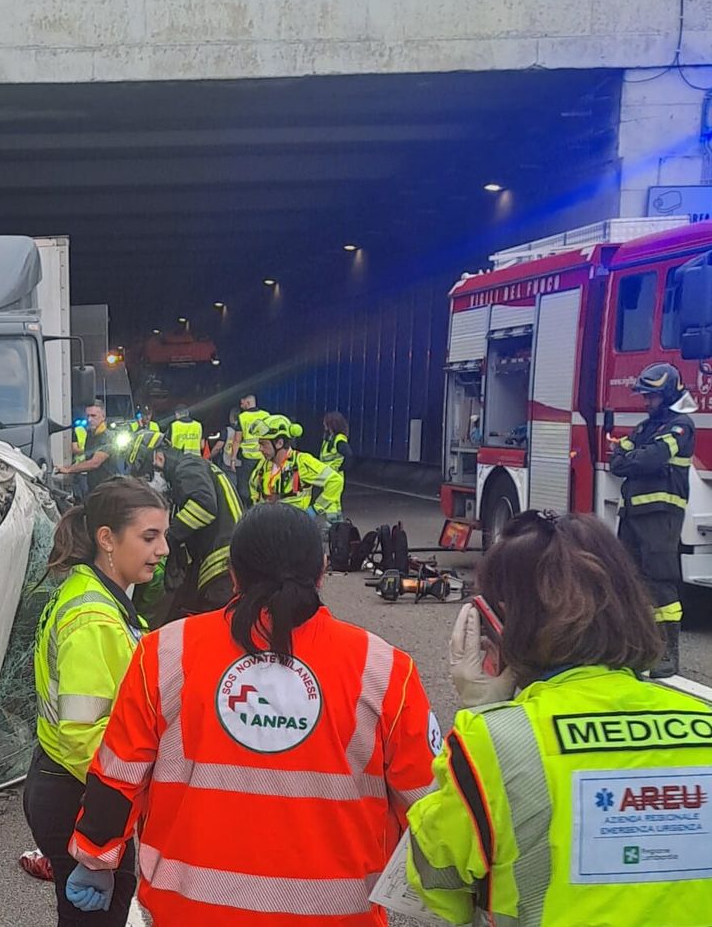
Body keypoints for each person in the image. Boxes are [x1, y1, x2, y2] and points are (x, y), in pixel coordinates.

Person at [65, 503, 439, 925]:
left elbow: (118, 775)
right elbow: (431, 806)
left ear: (234, 575)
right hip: (337, 914)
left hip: (190, 911)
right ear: (322, 571)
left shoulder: (165, 654)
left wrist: (95, 858)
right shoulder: (386, 670)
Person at [408, 510, 712, 925]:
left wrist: (481, 709)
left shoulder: (491, 743)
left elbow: (435, 878)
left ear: (500, 622)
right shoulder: (702, 722)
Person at [26, 478, 169, 927]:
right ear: (106, 538)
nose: (163, 549)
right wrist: (140, 795)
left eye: (163, 535)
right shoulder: (95, 619)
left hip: (69, 787)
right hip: (80, 797)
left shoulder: (94, 598)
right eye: (149, 537)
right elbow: (83, 736)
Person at [606, 362, 697, 677]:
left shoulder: (681, 426)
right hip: (632, 516)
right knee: (631, 583)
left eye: (652, 397)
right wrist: (630, 458)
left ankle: (667, 654)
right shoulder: (645, 428)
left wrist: (630, 458)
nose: (646, 402)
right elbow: (616, 462)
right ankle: (638, 650)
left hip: (660, 518)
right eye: (645, 396)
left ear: (668, 393)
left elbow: (652, 457)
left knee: (660, 585)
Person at [127, 430, 244, 623]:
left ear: (158, 456)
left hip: (221, 565)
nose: (150, 484)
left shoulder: (188, 466)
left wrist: (168, 537)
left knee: (211, 626)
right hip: (219, 563)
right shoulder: (188, 469)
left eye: (148, 475)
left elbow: (204, 508)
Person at [247, 413, 343, 518]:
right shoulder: (263, 465)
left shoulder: (301, 461)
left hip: (294, 528)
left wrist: (315, 510)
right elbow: (253, 486)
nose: (259, 449)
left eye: (263, 444)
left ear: (279, 443)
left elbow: (335, 481)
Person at [57, 403, 116, 502]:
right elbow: (87, 456)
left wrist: (69, 470)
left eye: (93, 416)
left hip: (108, 489)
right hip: (94, 486)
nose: (89, 420)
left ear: (103, 417)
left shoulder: (107, 437)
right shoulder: (90, 435)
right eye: (88, 416)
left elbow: (95, 463)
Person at [228, 394, 269, 503]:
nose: (242, 406)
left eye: (243, 403)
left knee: (246, 485)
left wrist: (232, 459)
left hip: (248, 459)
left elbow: (237, 440)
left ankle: (249, 508)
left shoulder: (242, 417)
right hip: (264, 457)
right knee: (263, 483)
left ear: (248, 402)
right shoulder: (266, 415)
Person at [320, 411, 353, 522]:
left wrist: (340, 468)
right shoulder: (330, 438)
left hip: (333, 474)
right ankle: (338, 525)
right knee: (335, 501)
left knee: (330, 501)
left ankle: (332, 525)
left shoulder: (338, 439)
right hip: (330, 474)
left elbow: (348, 455)